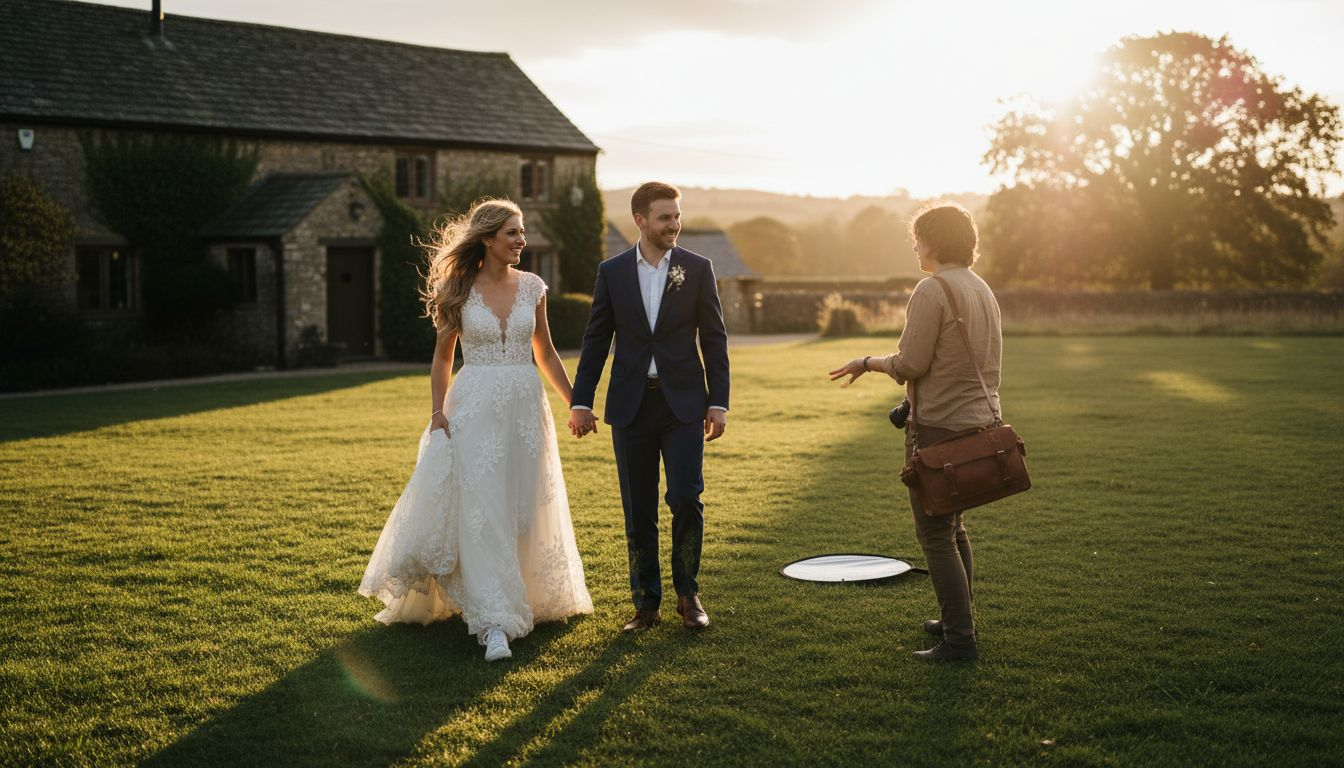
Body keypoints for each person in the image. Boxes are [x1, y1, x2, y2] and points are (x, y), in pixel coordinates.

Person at [359, 198, 592, 662]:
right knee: (482, 511)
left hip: (526, 409)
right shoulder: (458, 287)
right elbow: (444, 356)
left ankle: (527, 594)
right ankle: (493, 624)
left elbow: (544, 351)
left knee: (523, 508)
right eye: (512, 232)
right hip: (474, 407)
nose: (521, 240)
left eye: (522, 232)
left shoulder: (533, 287)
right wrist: (437, 413)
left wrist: (577, 402)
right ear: (487, 238)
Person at [828, 201, 1001, 662]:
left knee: (935, 534)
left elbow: (910, 364)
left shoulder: (932, 289)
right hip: (979, 422)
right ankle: (954, 620)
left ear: (934, 241)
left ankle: (959, 640)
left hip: (939, 426)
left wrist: (867, 361)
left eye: (917, 238)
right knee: (954, 527)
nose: (915, 246)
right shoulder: (981, 288)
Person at [569, 181, 730, 632]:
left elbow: (714, 339)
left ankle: (688, 594)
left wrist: (719, 402)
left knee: (685, 497)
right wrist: (581, 400)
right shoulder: (613, 271)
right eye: (665, 217)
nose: (674, 225)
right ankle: (645, 603)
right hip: (631, 407)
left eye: (677, 216)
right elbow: (596, 339)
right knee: (637, 508)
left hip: (684, 406)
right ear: (640, 220)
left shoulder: (698, 268)